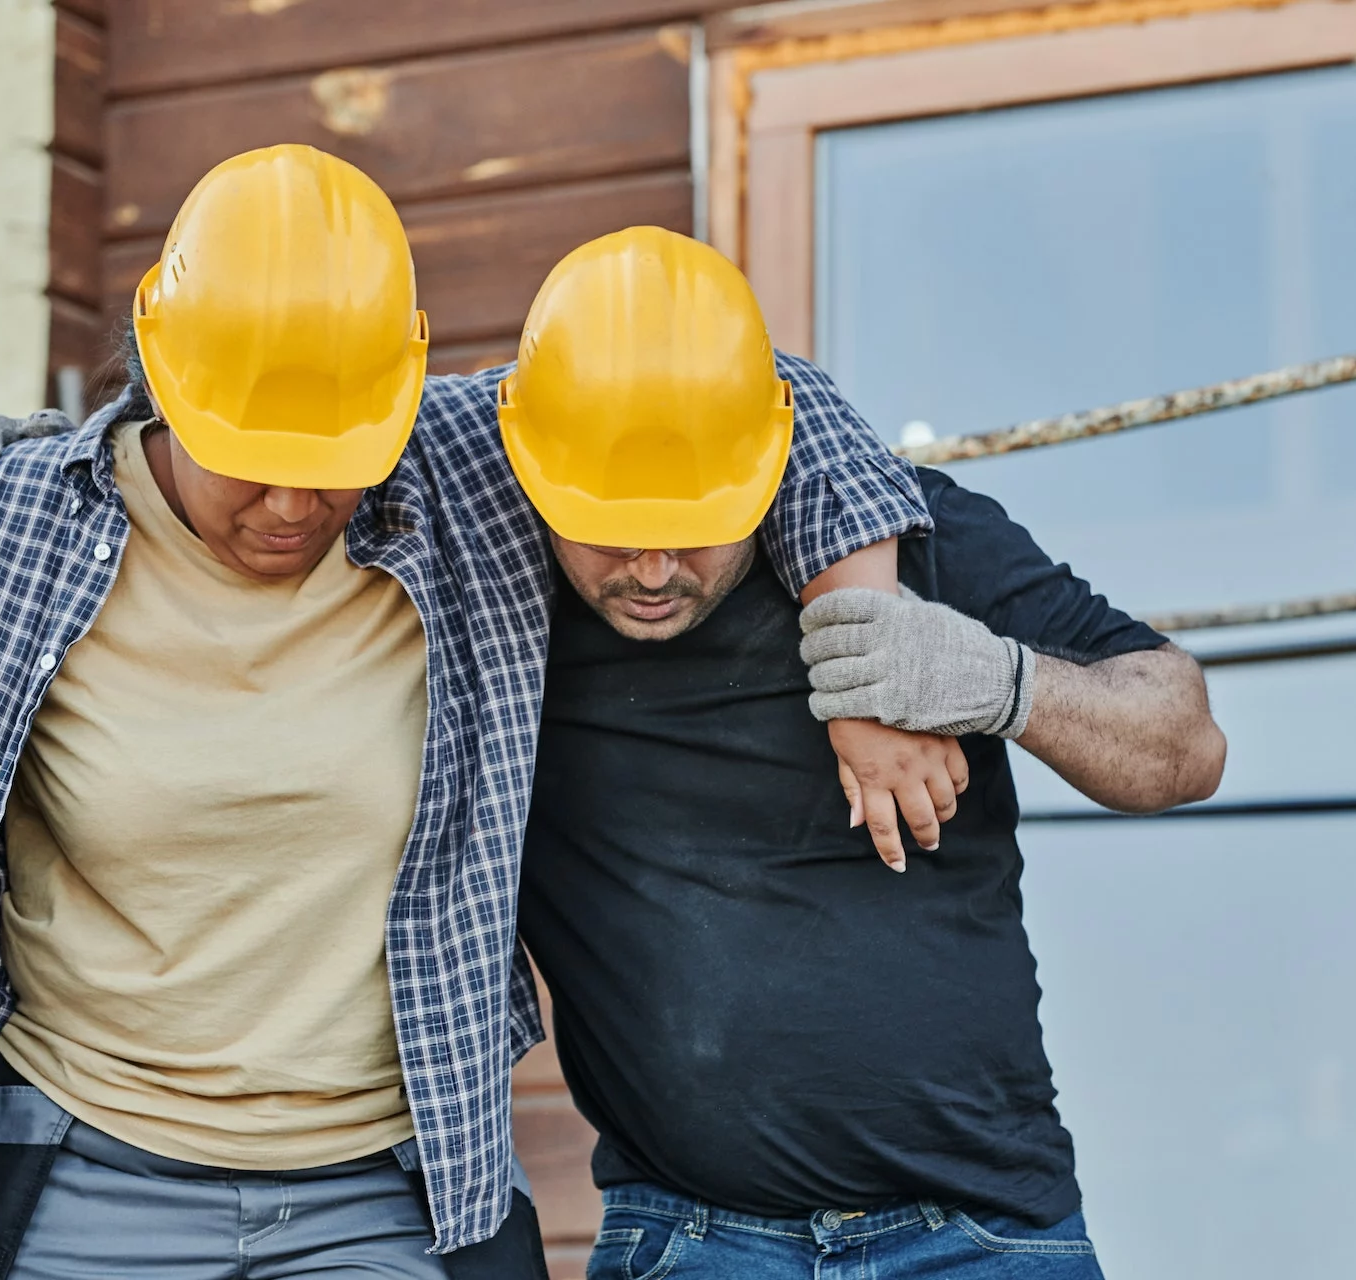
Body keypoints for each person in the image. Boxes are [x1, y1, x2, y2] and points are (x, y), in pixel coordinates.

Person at [0, 151, 933, 1280]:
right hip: (85, 1174)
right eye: (247, 453)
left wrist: (867, 662)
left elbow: (774, 396)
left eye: (336, 453)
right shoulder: (12, 522)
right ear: (166, 382)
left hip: (381, 1187)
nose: (295, 500)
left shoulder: (455, 471)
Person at [494, 231, 1226, 1276]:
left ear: (763, 455)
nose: (652, 566)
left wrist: (999, 680)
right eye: (609, 527)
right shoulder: (509, 607)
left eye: (693, 521)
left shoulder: (919, 540)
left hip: (980, 1232)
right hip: (693, 1237)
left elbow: (1186, 742)